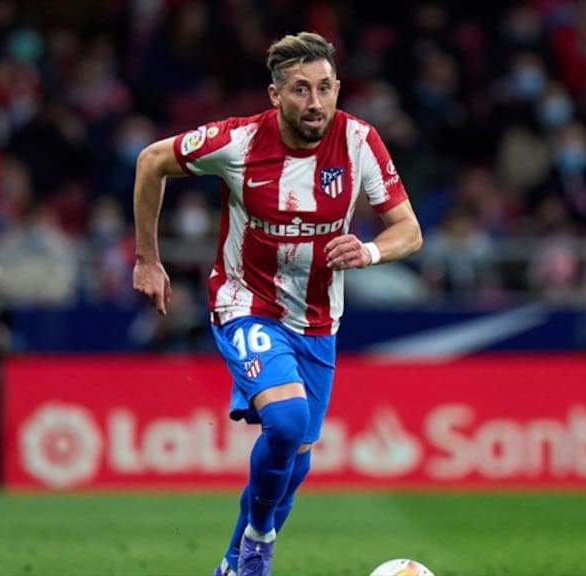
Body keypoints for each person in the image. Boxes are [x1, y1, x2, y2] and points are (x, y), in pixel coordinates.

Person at [132, 31, 423, 576]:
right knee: (286, 422)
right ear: (275, 95)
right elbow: (151, 161)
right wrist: (148, 259)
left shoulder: (359, 141)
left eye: (325, 88)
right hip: (245, 302)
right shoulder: (239, 142)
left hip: (317, 322)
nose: (315, 102)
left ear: (338, 89)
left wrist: (369, 250)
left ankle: (233, 565)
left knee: (295, 461)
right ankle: (259, 540)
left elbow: (409, 230)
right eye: (300, 89)